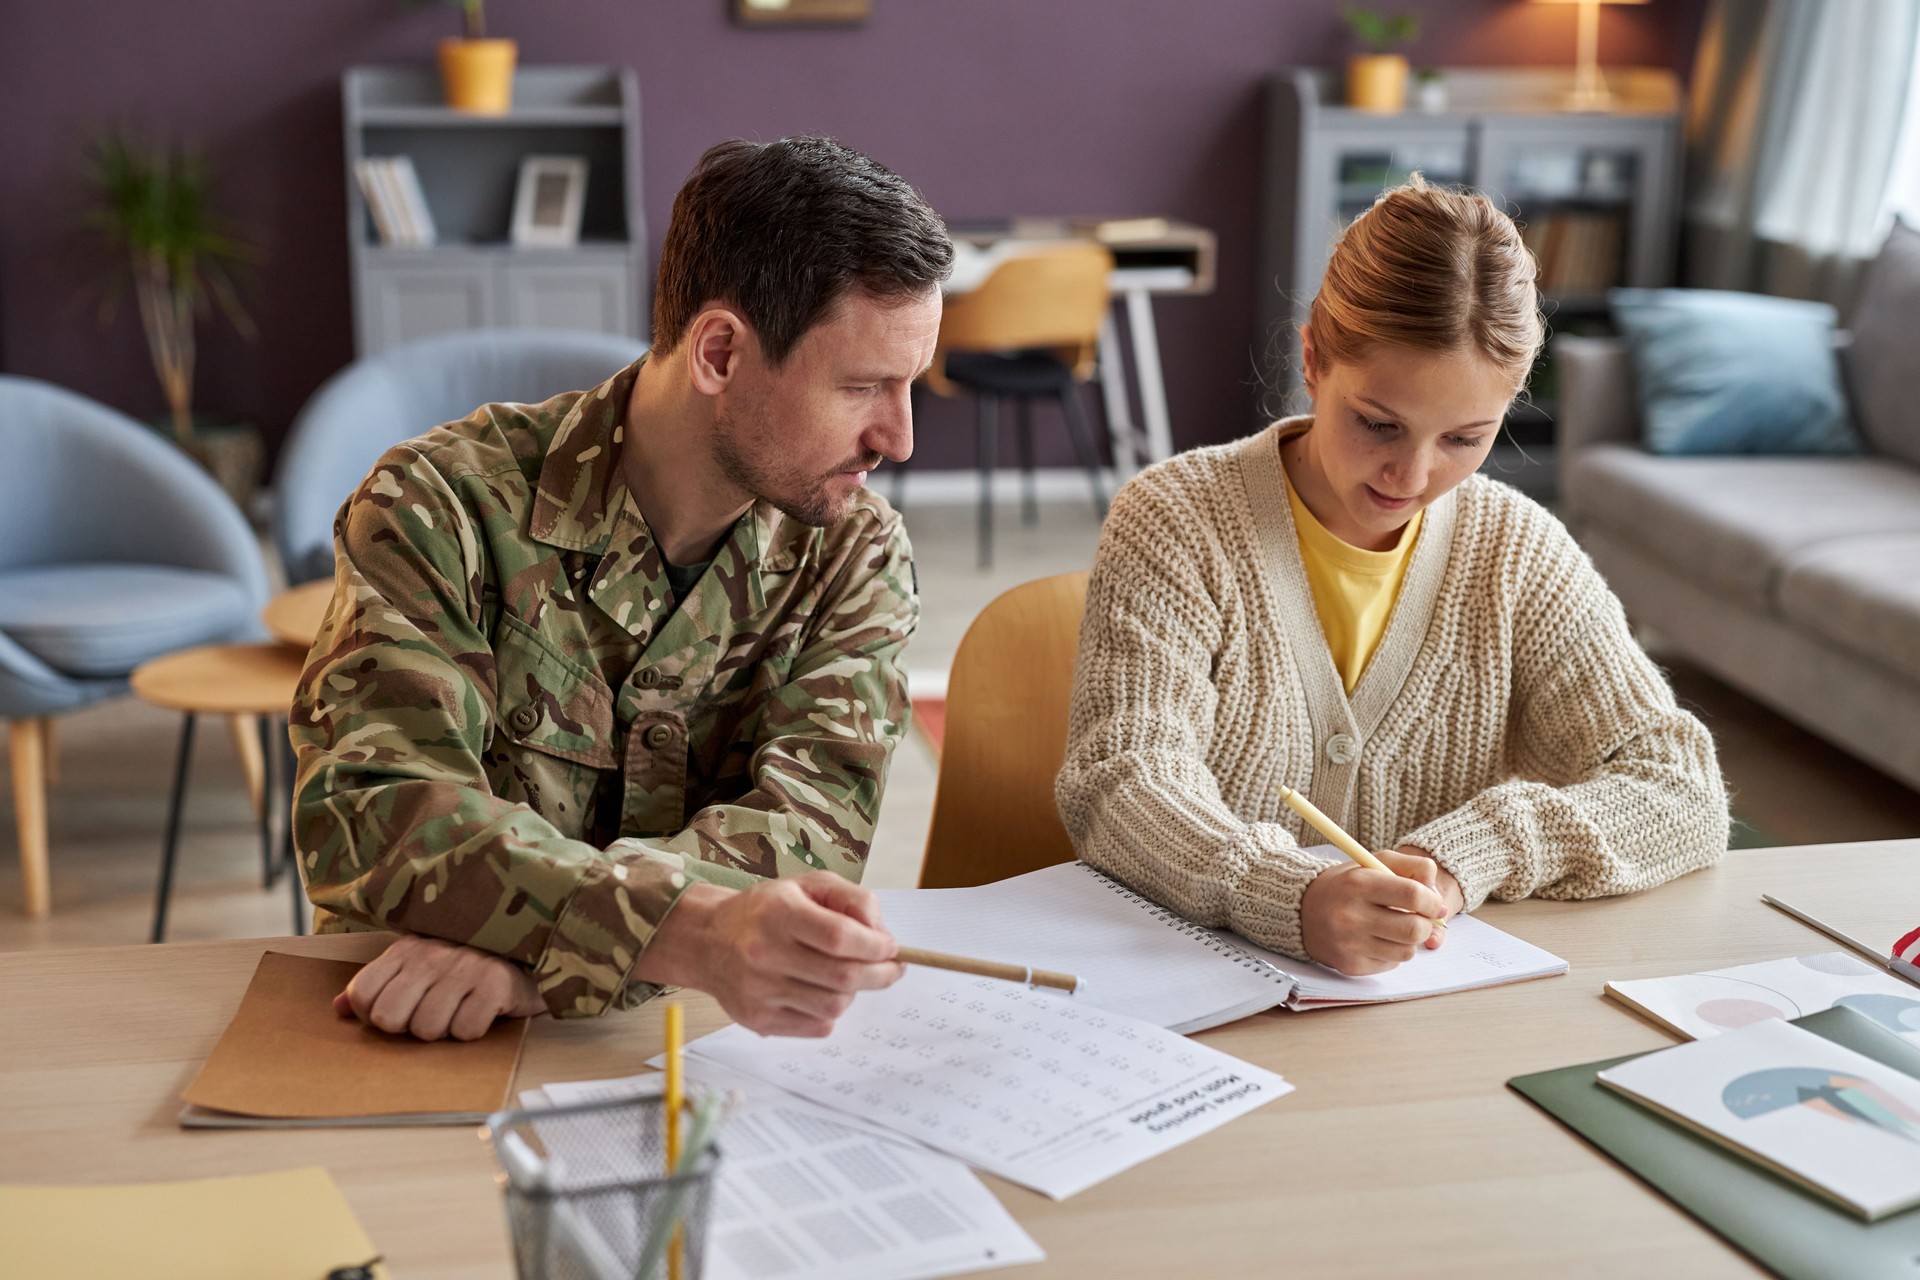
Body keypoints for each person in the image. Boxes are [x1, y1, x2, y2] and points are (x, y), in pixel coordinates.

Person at [290, 136, 952, 1040]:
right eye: (865, 386)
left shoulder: (854, 553)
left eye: (912, 385)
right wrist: (683, 934)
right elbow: (378, 815)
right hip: (424, 1037)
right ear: (718, 352)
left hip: (684, 1048)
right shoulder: (438, 505)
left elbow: (808, 829)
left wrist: (538, 954)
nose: (902, 439)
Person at [1056, 177, 1728, 977]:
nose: (1411, 475)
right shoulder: (1176, 519)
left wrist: (1462, 857)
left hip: (1417, 1012)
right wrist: (1288, 893)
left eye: (1465, 438)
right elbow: (1120, 779)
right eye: (1379, 424)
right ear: (1311, 359)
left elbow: (1681, 791)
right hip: (1190, 990)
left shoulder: (1517, 552)